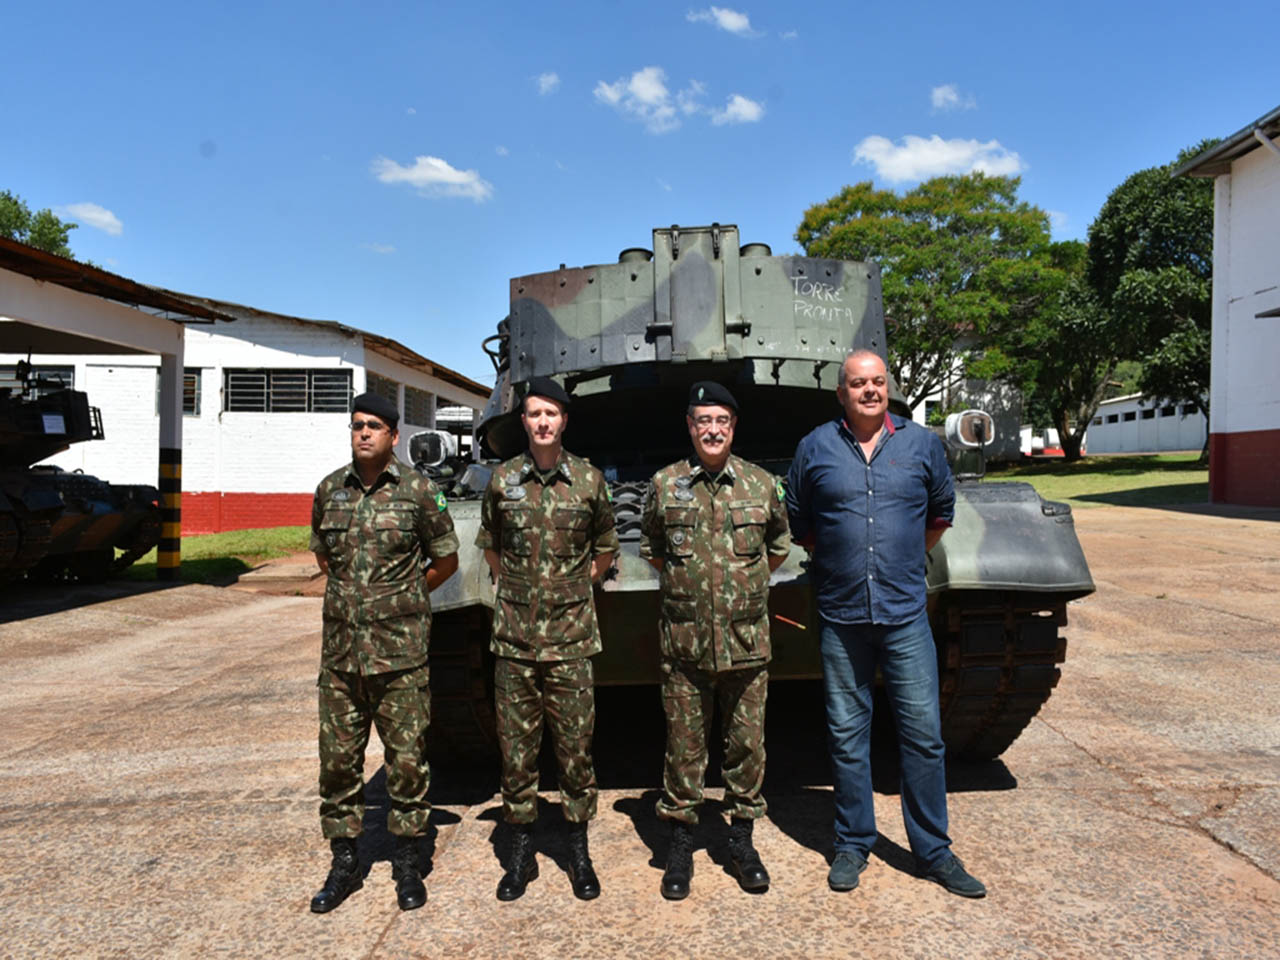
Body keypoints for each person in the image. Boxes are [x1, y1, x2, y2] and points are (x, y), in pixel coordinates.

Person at [785, 350, 987, 899]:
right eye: (857, 384)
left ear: (887, 388)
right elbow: (801, 520)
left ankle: (933, 851)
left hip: (903, 616)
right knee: (848, 739)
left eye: (877, 382)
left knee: (923, 736)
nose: (869, 391)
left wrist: (895, 562)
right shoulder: (815, 447)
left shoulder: (921, 445)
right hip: (842, 617)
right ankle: (853, 843)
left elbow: (941, 511)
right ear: (842, 393)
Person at [307, 391, 459, 914]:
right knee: (338, 766)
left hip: (400, 658)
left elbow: (446, 560)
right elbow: (327, 560)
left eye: (374, 426)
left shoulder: (419, 492)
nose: (364, 433)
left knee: (408, 764)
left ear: (394, 436)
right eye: (357, 425)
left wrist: (403, 597)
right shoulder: (330, 491)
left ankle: (408, 861)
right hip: (343, 659)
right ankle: (344, 861)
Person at [639, 381, 791, 900]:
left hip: (745, 641)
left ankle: (741, 842)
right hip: (685, 645)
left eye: (721, 421)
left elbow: (777, 549)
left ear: (733, 426)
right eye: (703, 420)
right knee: (684, 750)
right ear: (690, 425)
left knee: (746, 746)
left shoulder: (761, 484)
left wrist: (736, 592)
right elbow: (655, 551)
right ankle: (680, 847)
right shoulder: (664, 485)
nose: (712, 429)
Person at [476, 376, 618, 901]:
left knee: (576, 752)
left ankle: (578, 852)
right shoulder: (503, 479)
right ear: (524, 420)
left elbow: (605, 546)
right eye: (534, 414)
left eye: (551, 414)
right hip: (514, 642)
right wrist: (517, 587)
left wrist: (579, 586)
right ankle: (520, 856)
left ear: (563, 420)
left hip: (572, 641)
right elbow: (489, 544)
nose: (542, 422)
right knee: (517, 754)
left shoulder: (588, 480)